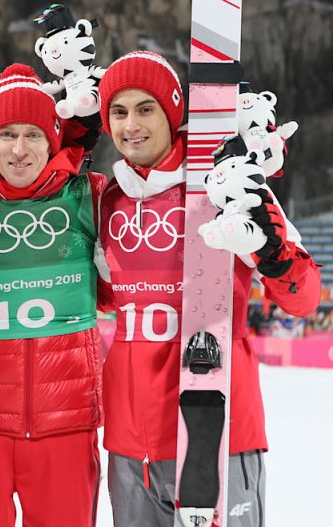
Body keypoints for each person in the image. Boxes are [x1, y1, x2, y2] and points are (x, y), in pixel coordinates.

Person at [94, 51, 321, 526]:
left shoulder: (229, 184)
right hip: (130, 445)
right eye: (118, 111)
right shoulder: (108, 199)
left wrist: (271, 252)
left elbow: (303, 298)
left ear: (172, 112)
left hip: (219, 429)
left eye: (145, 108)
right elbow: (110, 297)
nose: (131, 125)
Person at [0, 63, 107, 527]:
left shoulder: (92, 195)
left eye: (33, 135)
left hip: (66, 422)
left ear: (53, 140)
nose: (19, 150)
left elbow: (125, 291)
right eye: (6, 135)